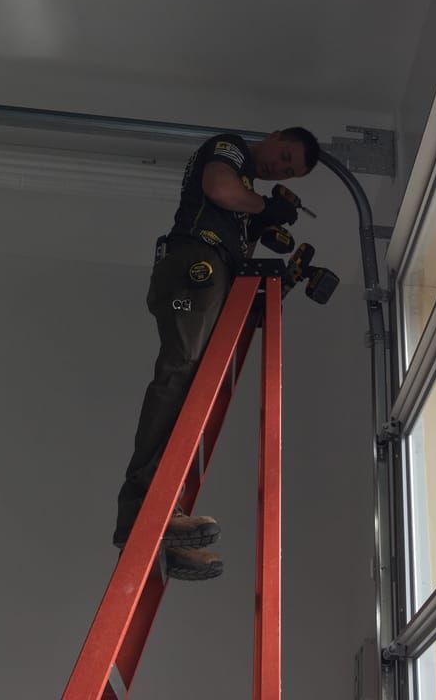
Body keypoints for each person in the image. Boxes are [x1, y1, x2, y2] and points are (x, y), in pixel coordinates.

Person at [113, 127, 320, 580]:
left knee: (196, 391)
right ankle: (144, 510)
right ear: (275, 136)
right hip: (194, 265)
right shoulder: (233, 152)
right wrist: (266, 207)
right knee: (181, 374)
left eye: (288, 171)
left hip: (213, 273)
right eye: (283, 155)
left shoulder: (247, 198)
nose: (278, 168)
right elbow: (218, 187)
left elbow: (239, 222)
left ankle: (165, 521)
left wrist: (262, 223)